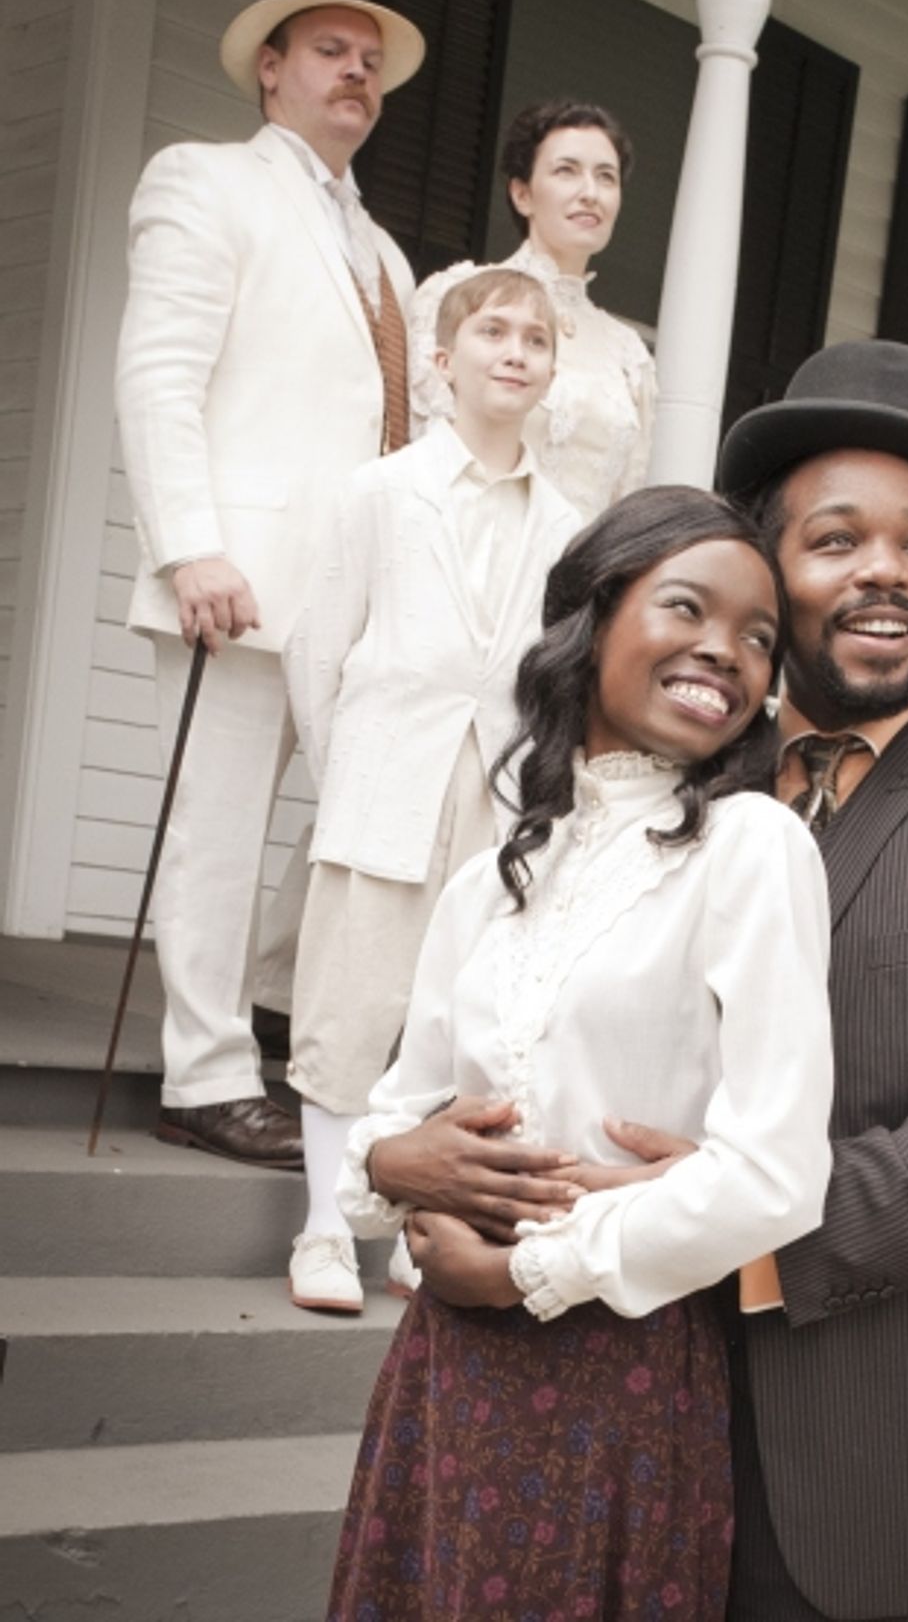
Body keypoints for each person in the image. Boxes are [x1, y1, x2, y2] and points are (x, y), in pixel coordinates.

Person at [413, 342, 908, 1622]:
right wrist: (427, 1163)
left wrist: (721, 1218)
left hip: (895, 1455)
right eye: (836, 540)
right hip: (629, 1417)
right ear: (767, 575)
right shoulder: (665, 796)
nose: (886, 570)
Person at [326, 487, 835, 1622]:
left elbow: (774, 1175)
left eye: (758, 638)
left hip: (620, 1372)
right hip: (445, 1370)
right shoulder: (492, 877)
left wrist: (515, 1269)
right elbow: (393, 1119)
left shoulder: (749, 847)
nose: (726, 650)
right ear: (591, 621)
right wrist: (404, 1169)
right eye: (688, 608)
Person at [115, 0, 424, 1168]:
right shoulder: (204, 182)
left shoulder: (386, 255)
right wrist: (190, 545)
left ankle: (279, 1024)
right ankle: (201, 1073)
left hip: (354, 603)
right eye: (329, 49)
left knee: (356, 829)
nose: (355, 71)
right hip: (233, 580)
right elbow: (158, 376)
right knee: (219, 829)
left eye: (369, 59)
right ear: (270, 68)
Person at [280, 268, 581, 1313]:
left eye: (534, 338)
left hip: (499, 800)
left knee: (460, 1017)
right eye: (491, 331)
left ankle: (418, 1231)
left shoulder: (569, 525)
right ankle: (324, 1221)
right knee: (350, 1002)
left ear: (549, 370)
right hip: (385, 777)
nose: (513, 349)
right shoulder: (380, 493)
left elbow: (556, 680)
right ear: (443, 362)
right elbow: (316, 649)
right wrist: (353, 771)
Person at [409, 98, 656, 520]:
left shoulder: (629, 354)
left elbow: (626, 505)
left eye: (606, 177)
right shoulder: (455, 295)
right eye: (566, 171)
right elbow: (419, 447)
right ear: (522, 194)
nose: (590, 194)